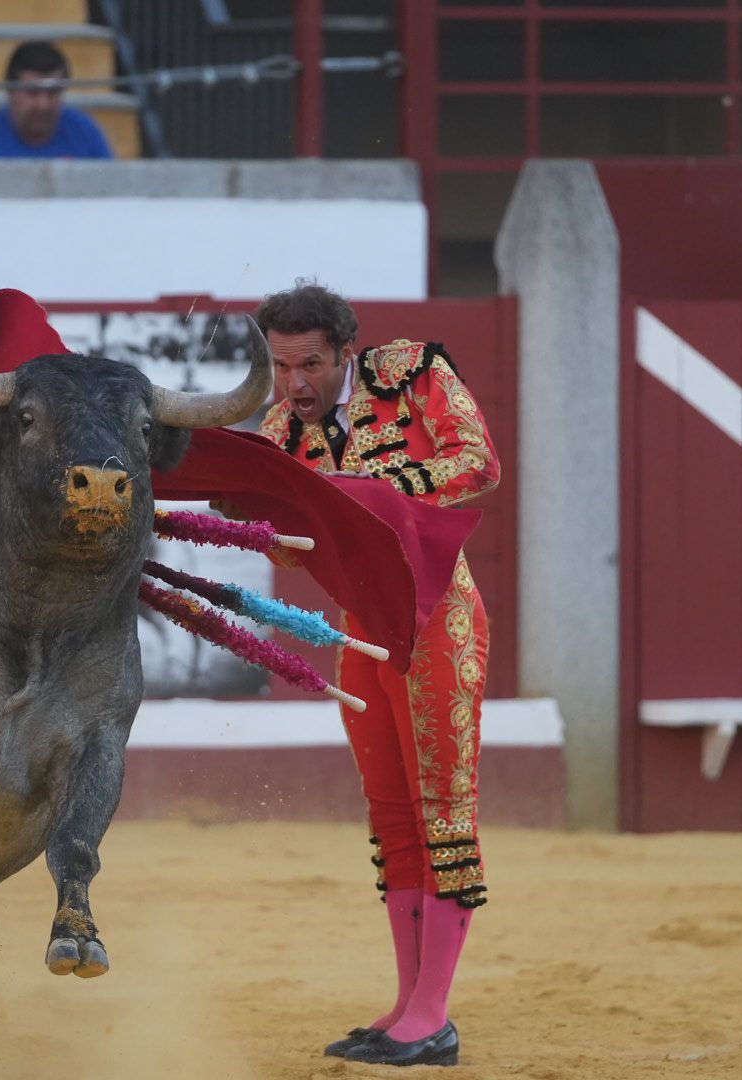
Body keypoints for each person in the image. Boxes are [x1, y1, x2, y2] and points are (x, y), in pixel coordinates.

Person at [250, 282, 499, 1068]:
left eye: (311, 365)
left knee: (442, 812)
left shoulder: (410, 373)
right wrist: (269, 527)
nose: (296, 384)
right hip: (366, 633)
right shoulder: (280, 429)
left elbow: (478, 464)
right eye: (283, 366)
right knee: (393, 818)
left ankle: (435, 1013)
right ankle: (405, 1005)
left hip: (439, 622)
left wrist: (372, 497)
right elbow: (286, 549)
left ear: (344, 352)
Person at [0, 40, 112, 159]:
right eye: (33, 92)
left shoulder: (86, 133)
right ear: (11, 92)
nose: (43, 105)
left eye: (52, 93)